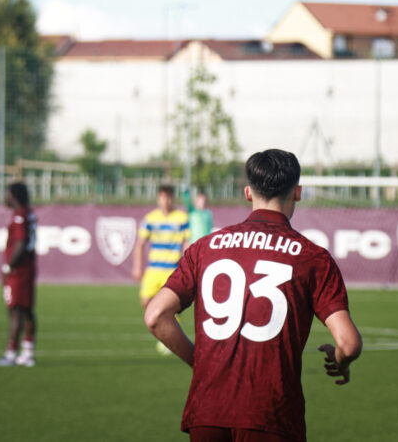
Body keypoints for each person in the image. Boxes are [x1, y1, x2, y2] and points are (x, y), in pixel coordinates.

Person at [145, 149, 362, 441]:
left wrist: (200, 364)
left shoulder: (204, 248)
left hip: (208, 411)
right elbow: (348, 344)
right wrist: (340, 361)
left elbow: (156, 315)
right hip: (271, 414)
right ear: (297, 192)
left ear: (248, 192)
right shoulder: (313, 258)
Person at [133, 184, 190, 354]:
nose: (165, 201)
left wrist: (186, 264)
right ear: (158, 198)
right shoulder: (151, 218)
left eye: (168, 197)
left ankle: (169, 334)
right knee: (145, 302)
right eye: (162, 197)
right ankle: (171, 321)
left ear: (172, 198)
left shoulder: (181, 218)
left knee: (167, 305)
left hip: (171, 269)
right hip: (154, 269)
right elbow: (140, 244)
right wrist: (137, 266)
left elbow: (187, 243)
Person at [0, 182, 38, 367]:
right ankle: (27, 353)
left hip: (19, 270)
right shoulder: (28, 213)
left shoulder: (19, 216)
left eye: (7, 194)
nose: (5, 197)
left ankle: (11, 354)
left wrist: (9, 267)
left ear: (15, 196)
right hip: (28, 267)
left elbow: (20, 242)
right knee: (26, 310)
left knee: (15, 310)